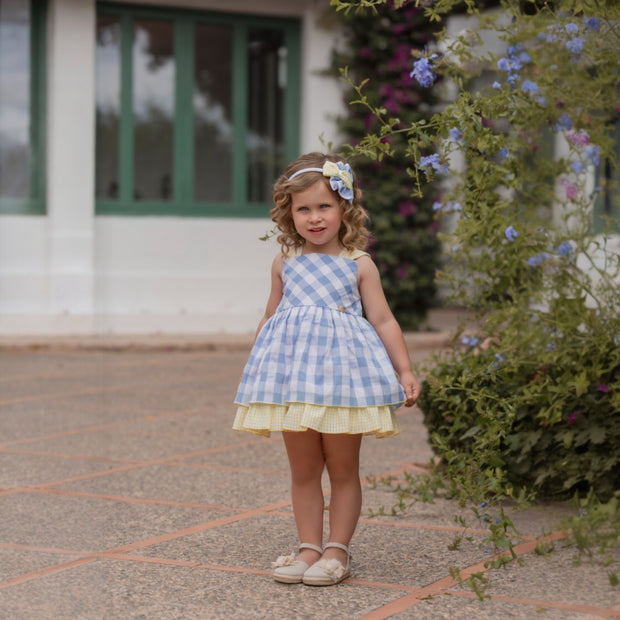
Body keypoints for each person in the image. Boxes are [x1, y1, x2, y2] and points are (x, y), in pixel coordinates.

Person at [233, 152, 421, 586]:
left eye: (324, 207)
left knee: (342, 468)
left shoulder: (359, 264)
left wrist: (405, 370)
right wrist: (258, 367)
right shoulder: (285, 263)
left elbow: (384, 319)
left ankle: (337, 550)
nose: (315, 218)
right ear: (289, 214)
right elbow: (270, 317)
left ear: (344, 209)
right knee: (302, 470)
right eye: (304, 209)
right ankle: (307, 548)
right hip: (295, 382)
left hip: (343, 383)